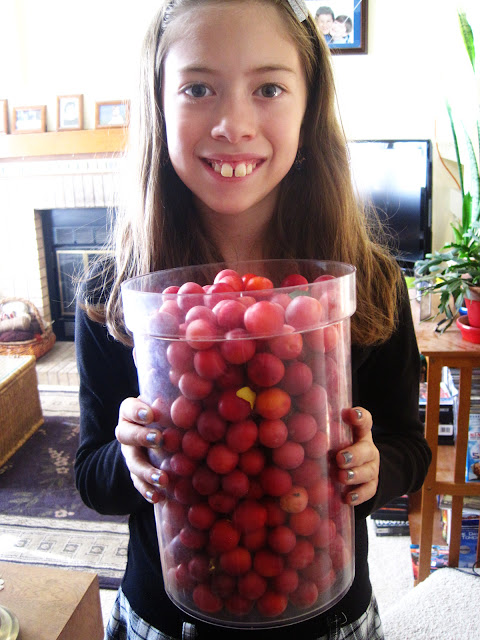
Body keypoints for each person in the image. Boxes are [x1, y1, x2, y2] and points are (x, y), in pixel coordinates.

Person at [74, 1, 431, 639]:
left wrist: (375, 467)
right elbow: (91, 475)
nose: (233, 125)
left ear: (309, 108)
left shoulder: (370, 281)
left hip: (326, 611)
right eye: (197, 88)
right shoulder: (112, 291)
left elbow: (410, 445)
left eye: (268, 88)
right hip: (167, 615)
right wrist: (131, 460)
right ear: (158, 105)